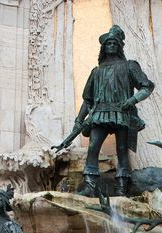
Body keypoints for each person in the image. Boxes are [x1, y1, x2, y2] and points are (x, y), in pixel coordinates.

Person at [54, 25, 155, 197]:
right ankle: (90, 183)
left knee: (122, 149)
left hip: (121, 114)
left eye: (115, 43)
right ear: (103, 47)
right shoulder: (96, 71)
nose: (111, 46)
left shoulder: (129, 66)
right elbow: (88, 99)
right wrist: (79, 120)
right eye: (108, 43)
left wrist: (132, 100)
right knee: (93, 147)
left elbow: (147, 86)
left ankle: (122, 186)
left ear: (120, 46)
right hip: (99, 114)